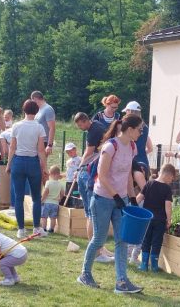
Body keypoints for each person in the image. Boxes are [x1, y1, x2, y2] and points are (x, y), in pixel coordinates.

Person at [77, 114, 144, 294]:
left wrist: (131, 198)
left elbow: (128, 175)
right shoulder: (110, 146)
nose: (141, 133)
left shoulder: (131, 146)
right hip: (102, 199)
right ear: (130, 129)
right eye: (140, 129)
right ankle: (85, 274)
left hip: (120, 200)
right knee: (99, 238)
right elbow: (103, 175)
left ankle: (121, 282)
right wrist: (115, 196)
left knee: (121, 240)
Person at [73, 112, 113, 263]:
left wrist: (79, 168)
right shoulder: (97, 128)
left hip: (86, 173)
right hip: (87, 173)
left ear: (84, 120)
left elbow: (88, 152)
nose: (79, 128)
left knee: (90, 213)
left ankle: (98, 249)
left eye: (79, 125)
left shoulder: (94, 130)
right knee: (91, 214)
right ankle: (96, 251)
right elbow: (90, 152)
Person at [7, 99, 48, 238]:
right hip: (33, 162)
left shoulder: (16, 125)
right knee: (36, 197)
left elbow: (12, 147)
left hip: (18, 161)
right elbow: (41, 150)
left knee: (18, 197)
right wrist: (44, 166)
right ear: (36, 111)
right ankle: (36, 228)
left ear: (23, 110)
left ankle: (21, 229)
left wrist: (8, 164)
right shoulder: (39, 127)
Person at [136, 163, 174, 272]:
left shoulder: (149, 184)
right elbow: (168, 206)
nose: (171, 180)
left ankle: (144, 265)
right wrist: (169, 219)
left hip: (147, 219)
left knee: (146, 241)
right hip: (160, 220)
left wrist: (131, 208)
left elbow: (139, 198)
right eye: (172, 178)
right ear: (168, 175)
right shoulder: (167, 189)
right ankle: (154, 266)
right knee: (157, 242)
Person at [122, 101, 153, 175]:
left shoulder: (127, 126)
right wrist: (141, 153)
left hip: (131, 162)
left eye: (126, 111)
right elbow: (150, 148)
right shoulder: (145, 127)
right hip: (144, 162)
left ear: (129, 111)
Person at [31, 91, 56, 156]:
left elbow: (52, 128)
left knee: (41, 164)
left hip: (44, 142)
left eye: (32, 100)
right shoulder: (39, 109)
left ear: (35, 98)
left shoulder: (48, 109)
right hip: (37, 141)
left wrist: (49, 145)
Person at [41, 165, 65, 232]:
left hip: (47, 202)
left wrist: (42, 199)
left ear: (51, 174)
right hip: (55, 204)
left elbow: (46, 192)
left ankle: (44, 228)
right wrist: (60, 198)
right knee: (53, 218)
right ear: (58, 174)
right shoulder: (60, 184)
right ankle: (51, 229)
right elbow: (62, 193)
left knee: (44, 217)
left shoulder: (48, 182)